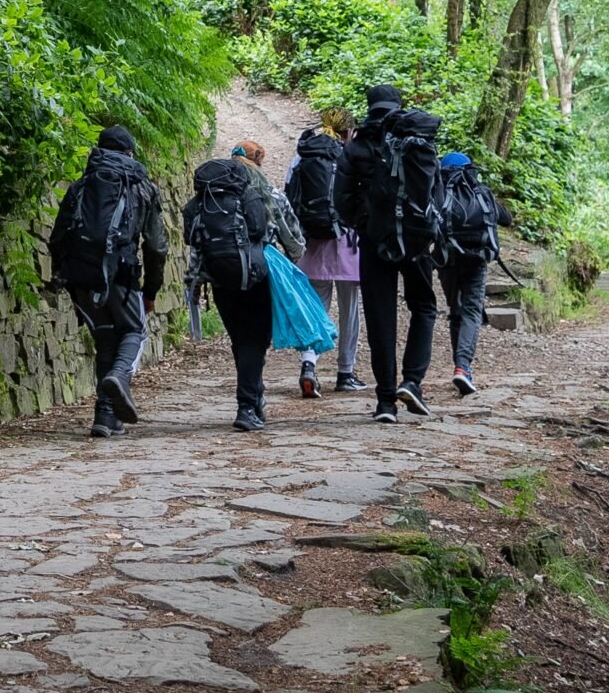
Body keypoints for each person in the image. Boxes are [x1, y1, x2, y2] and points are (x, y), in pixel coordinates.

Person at [48, 124, 170, 438]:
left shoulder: (81, 186)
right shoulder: (142, 187)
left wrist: (63, 275)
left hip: (81, 279)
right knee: (135, 331)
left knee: (105, 339)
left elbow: (58, 237)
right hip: (122, 273)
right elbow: (156, 246)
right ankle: (119, 376)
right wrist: (151, 289)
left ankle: (105, 417)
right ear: (130, 152)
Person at [334, 81, 445, 424]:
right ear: (399, 105)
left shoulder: (358, 145)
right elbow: (436, 193)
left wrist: (365, 224)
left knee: (380, 319)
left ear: (369, 107)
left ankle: (385, 403)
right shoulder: (416, 139)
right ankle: (412, 380)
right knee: (424, 306)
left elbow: (341, 199)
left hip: (373, 243)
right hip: (414, 241)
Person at [184, 140, 305, 431]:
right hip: (258, 276)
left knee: (241, 339)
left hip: (219, 277)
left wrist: (195, 283)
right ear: (259, 162)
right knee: (254, 340)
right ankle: (247, 405)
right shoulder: (270, 194)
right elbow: (296, 242)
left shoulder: (209, 199)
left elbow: (197, 246)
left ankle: (254, 396)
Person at [286, 109, 363, 398]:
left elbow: (289, 194)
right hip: (347, 242)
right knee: (349, 312)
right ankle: (346, 372)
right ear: (349, 132)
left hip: (313, 242)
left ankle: (309, 365)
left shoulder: (303, 154)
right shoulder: (351, 155)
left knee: (315, 310)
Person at [435, 149, 500, 395]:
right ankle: (463, 368)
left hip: (447, 260)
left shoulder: (438, 192)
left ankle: (460, 366)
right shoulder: (480, 192)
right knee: (472, 310)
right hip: (476, 259)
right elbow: (505, 218)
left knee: (456, 311)